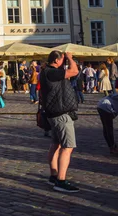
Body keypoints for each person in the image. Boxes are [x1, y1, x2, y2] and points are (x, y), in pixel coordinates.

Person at [40, 51, 79, 193]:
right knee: (67, 147)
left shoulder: (47, 72)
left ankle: (53, 176)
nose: (64, 62)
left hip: (53, 113)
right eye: (62, 60)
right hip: (61, 114)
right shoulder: (52, 72)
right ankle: (61, 180)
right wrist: (69, 57)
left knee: (55, 145)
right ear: (56, 60)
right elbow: (74, 71)